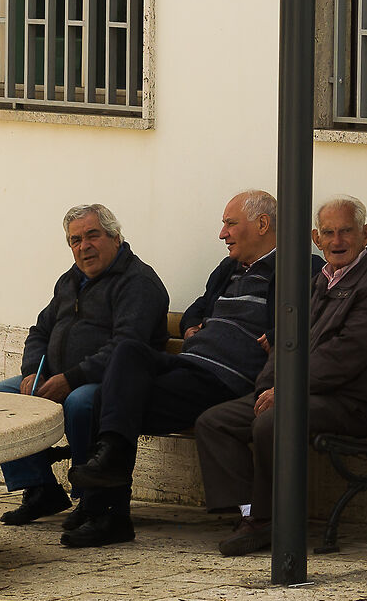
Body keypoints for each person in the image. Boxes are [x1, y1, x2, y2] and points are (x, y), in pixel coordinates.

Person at [67, 190, 318, 546]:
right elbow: (197, 308)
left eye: (230, 224)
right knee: (127, 352)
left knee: (106, 400)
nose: (222, 234)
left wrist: (276, 335)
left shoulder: (299, 267)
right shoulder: (228, 269)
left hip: (226, 378)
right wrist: (190, 325)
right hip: (191, 365)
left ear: (262, 224)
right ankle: (107, 489)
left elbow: (310, 319)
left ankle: (107, 513)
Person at [194, 194, 367, 556]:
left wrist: (286, 390)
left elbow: (344, 357)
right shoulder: (320, 281)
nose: (337, 241)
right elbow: (287, 340)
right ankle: (251, 513)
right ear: (316, 238)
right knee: (215, 422)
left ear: (366, 234)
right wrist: (268, 386)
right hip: (304, 392)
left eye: (346, 231)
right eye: (329, 233)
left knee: (272, 421)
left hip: (349, 402)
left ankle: (266, 519)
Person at [0, 204, 169, 531]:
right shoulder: (70, 281)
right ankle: (40, 489)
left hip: (114, 383)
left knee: (81, 402)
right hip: (59, 376)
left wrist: (71, 379)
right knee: (1, 397)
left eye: (92, 236)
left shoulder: (137, 282)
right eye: (75, 240)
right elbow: (40, 331)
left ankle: (90, 498)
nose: (84, 247)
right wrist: (33, 371)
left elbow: (127, 347)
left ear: (115, 237)